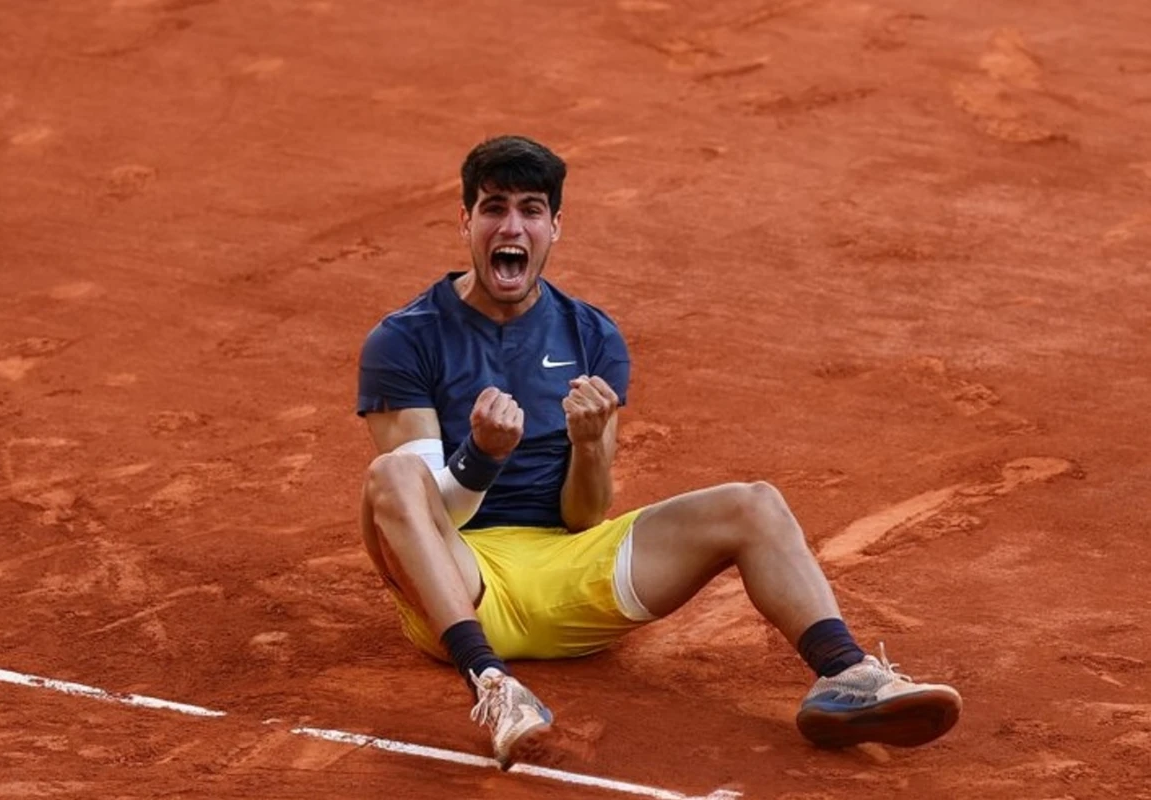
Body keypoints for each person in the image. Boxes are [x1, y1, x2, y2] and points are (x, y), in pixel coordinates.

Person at [355, 135, 962, 769]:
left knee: (754, 504)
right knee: (392, 474)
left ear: (555, 227)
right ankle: (494, 687)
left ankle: (846, 675)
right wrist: (480, 456)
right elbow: (425, 516)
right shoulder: (405, 340)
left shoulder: (591, 335)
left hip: (566, 576)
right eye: (494, 207)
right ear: (466, 221)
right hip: (459, 583)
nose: (512, 225)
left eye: (531, 209)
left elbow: (585, 519)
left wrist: (590, 445)